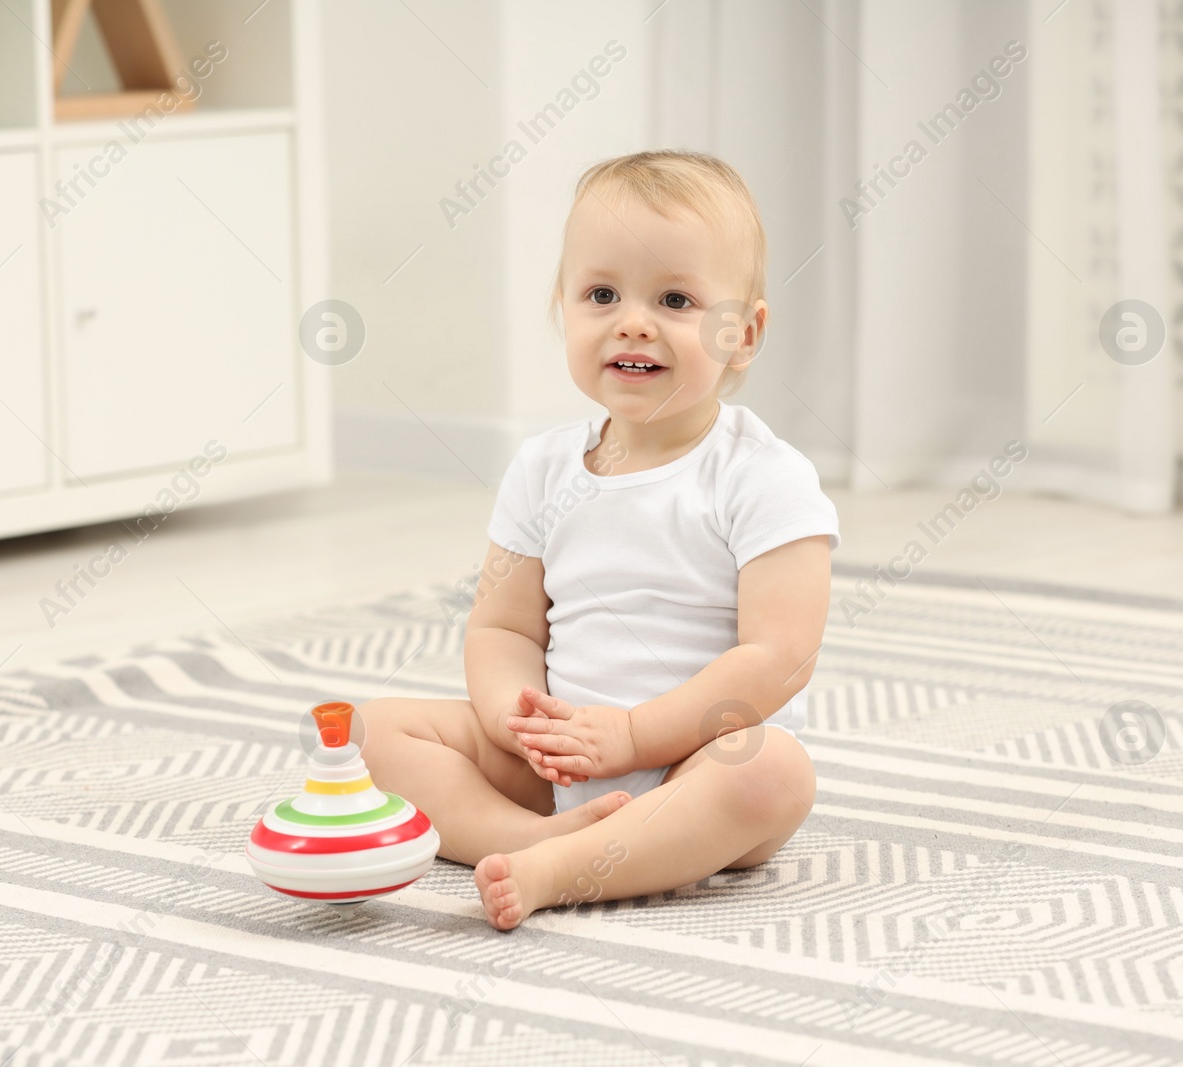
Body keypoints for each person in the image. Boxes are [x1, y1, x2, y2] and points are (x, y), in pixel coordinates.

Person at [359, 150, 840, 930]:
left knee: (774, 771)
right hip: (559, 760)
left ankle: (565, 869)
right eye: (602, 293)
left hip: (693, 768)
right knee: (375, 730)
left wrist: (633, 735)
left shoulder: (763, 476)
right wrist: (516, 719)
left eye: (675, 298)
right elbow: (504, 624)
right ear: (565, 308)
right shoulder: (543, 467)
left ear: (744, 333)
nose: (633, 320)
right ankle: (538, 838)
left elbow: (779, 657)